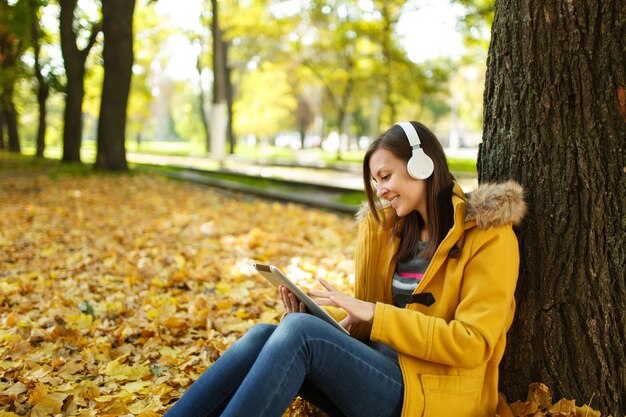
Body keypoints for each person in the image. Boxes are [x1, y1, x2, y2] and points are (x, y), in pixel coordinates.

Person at [164, 121, 526, 417]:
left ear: (422, 165)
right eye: (375, 181)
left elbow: (472, 344)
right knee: (267, 333)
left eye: (386, 176)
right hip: (381, 373)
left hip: (434, 395)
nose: (380, 190)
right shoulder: (391, 232)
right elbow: (372, 321)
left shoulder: (487, 236)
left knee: (301, 334)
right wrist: (320, 313)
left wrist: (373, 314)